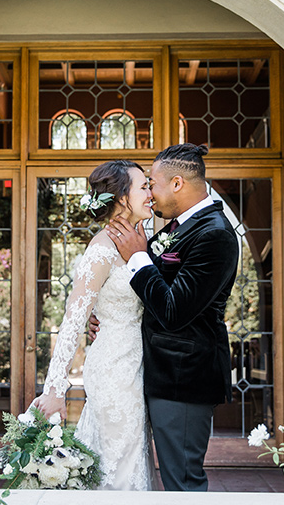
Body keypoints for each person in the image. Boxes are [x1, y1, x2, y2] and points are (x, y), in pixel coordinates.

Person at [107, 143, 239, 492]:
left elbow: (174, 311)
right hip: (160, 374)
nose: (149, 192)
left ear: (177, 183)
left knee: (183, 483)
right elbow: (151, 293)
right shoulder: (179, 227)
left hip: (184, 379)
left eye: (152, 183)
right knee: (173, 478)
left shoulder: (214, 234)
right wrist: (110, 315)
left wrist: (137, 256)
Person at [33, 159, 155, 491]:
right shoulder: (101, 250)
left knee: (132, 456)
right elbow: (73, 317)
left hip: (138, 363)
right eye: (143, 186)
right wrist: (56, 389)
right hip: (114, 370)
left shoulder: (146, 236)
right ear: (120, 196)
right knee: (118, 459)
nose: (150, 192)